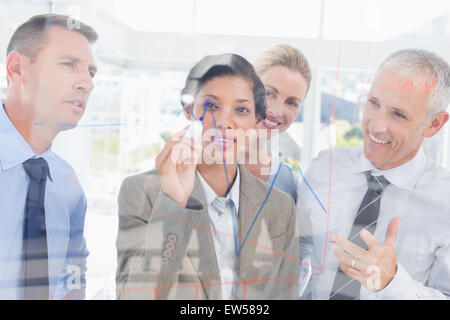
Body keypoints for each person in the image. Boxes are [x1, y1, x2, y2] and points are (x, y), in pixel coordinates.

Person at [116, 53, 299, 300]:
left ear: (257, 121)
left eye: (241, 109)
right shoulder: (141, 192)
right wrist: (173, 204)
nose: (224, 121)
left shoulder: (280, 207)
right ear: (189, 111)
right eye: (212, 106)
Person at [298, 49, 450, 299]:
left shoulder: (445, 200)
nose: (376, 125)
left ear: (434, 124)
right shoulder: (325, 168)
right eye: (373, 103)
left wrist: (391, 283)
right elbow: (300, 248)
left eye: (399, 114)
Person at [0, 14, 98, 299]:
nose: (87, 84)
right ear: (17, 69)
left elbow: (74, 270)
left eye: (91, 73)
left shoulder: (68, 187)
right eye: (69, 64)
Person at [245, 44, 311, 204]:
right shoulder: (199, 160)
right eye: (268, 93)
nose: (275, 110)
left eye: (292, 103)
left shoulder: (287, 182)